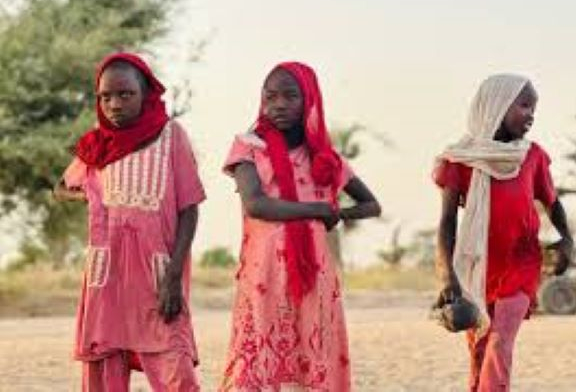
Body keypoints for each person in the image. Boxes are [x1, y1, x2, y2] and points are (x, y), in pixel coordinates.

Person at [219, 62, 381, 391]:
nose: (278, 104)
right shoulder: (248, 147)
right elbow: (256, 204)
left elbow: (371, 205)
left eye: (290, 96)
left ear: (309, 99)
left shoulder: (324, 159)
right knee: (259, 366)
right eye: (270, 96)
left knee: (312, 356)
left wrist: (338, 215)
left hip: (316, 276)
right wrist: (318, 209)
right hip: (263, 275)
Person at [54, 52, 204, 391]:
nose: (115, 105)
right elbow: (62, 188)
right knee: (105, 366)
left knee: (174, 367)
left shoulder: (170, 136)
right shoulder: (98, 143)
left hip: (157, 274)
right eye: (105, 97)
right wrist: (97, 198)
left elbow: (189, 209)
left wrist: (174, 278)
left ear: (146, 93)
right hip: (106, 274)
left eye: (125, 94)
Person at [433, 74, 573, 391]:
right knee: (479, 350)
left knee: (500, 343)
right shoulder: (460, 159)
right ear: (495, 105)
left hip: (521, 264)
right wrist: (447, 276)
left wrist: (567, 238)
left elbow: (552, 202)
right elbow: (447, 223)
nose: (531, 115)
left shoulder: (532, 156)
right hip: (477, 267)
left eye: (534, 108)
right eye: (524, 105)